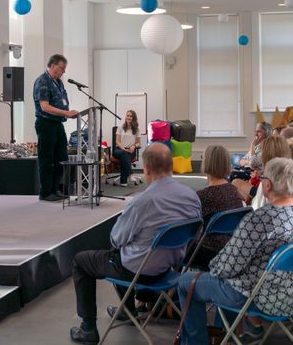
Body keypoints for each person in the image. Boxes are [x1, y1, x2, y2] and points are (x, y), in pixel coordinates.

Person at [69, 144, 201, 343]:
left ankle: (88, 329)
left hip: (138, 272)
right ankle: (128, 310)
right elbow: (194, 234)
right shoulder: (191, 197)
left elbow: (116, 238)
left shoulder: (142, 202)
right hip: (169, 270)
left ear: (146, 169)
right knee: (128, 252)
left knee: (83, 261)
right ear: (171, 165)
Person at [177, 158, 293, 345]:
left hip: (259, 297)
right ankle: (226, 337)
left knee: (186, 282)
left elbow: (227, 267)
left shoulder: (259, 219)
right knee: (230, 279)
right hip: (290, 295)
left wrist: (213, 269)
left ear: (268, 185)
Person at [187, 145, 244, 270]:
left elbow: (188, 225)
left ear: (206, 163)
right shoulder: (233, 190)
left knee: (173, 245)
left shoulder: (204, 195)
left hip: (209, 252)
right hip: (230, 249)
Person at [33, 54, 79, 201]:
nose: (63, 72)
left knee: (62, 157)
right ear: (53, 66)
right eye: (62, 68)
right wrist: (66, 112)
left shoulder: (58, 82)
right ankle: (45, 192)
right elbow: (44, 107)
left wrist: (67, 113)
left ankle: (55, 189)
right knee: (47, 159)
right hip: (46, 123)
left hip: (57, 124)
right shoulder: (43, 81)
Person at [112, 109, 141, 186]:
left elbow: (139, 143)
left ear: (133, 118)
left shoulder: (136, 129)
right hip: (119, 150)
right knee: (124, 153)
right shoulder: (120, 127)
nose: (129, 117)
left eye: (131, 116)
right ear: (125, 117)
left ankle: (123, 181)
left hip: (130, 151)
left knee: (125, 156)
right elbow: (117, 141)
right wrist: (122, 148)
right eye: (127, 115)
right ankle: (130, 174)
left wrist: (134, 146)